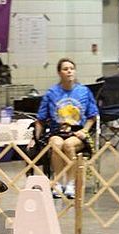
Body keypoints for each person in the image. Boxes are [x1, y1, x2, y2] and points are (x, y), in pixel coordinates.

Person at [31, 57, 99, 199]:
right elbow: (41, 118)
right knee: (56, 144)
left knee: (68, 145)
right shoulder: (51, 93)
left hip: (78, 132)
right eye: (65, 69)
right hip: (57, 131)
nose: (69, 72)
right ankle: (57, 181)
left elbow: (93, 116)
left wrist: (84, 131)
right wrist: (34, 139)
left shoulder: (84, 91)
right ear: (59, 73)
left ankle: (71, 183)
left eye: (71, 69)